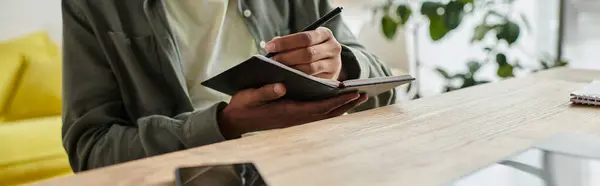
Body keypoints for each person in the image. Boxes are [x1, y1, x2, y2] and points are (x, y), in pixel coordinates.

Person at [61, 0, 396, 172]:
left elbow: (384, 84)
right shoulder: (95, 6)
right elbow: (89, 151)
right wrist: (224, 124)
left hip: (307, 166)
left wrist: (340, 65)